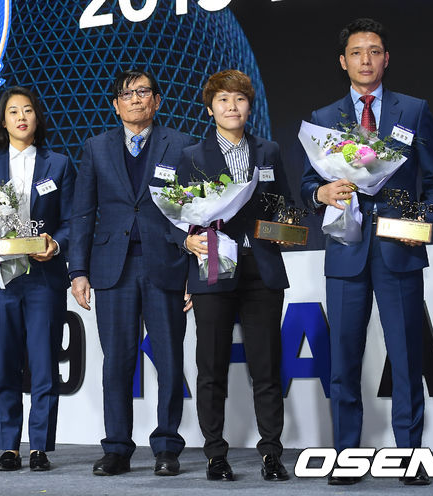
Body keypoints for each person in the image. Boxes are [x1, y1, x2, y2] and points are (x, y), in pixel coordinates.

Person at [300, 18, 433, 486]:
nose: (366, 60)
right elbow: (308, 181)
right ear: (342, 61)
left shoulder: (414, 109)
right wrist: (318, 195)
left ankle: (410, 455)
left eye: (375, 51)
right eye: (357, 52)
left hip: (398, 250)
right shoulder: (324, 118)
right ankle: (346, 454)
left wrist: (422, 220)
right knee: (343, 359)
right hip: (345, 251)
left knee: (407, 357)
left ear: (386, 58)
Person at [69, 69, 194, 476]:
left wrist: (195, 272)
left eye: (143, 92)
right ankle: (117, 448)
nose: (136, 99)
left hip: (167, 264)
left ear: (157, 101)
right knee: (117, 361)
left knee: (170, 360)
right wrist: (79, 270)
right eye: (127, 94)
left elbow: (195, 214)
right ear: (115, 104)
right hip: (112, 268)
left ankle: (167, 447)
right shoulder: (96, 147)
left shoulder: (182, 145)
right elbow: (83, 212)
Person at [174, 69, 291, 482]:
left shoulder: (270, 150)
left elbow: (282, 207)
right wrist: (185, 241)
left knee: (267, 367)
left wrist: (287, 229)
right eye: (223, 100)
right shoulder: (189, 155)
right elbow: (176, 215)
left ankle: (272, 453)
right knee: (211, 367)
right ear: (210, 109)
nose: (232, 107)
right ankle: (215, 454)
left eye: (239, 99)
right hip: (213, 270)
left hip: (262, 270)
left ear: (248, 105)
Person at [0, 86, 75, 472]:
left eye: (28, 110)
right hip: (1, 277)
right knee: (6, 361)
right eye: (13, 111)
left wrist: (56, 244)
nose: (21, 117)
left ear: (37, 118)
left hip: (44, 276)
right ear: (3, 121)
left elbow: (71, 222)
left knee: (45, 362)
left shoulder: (59, 164)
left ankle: (40, 446)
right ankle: (9, 446)